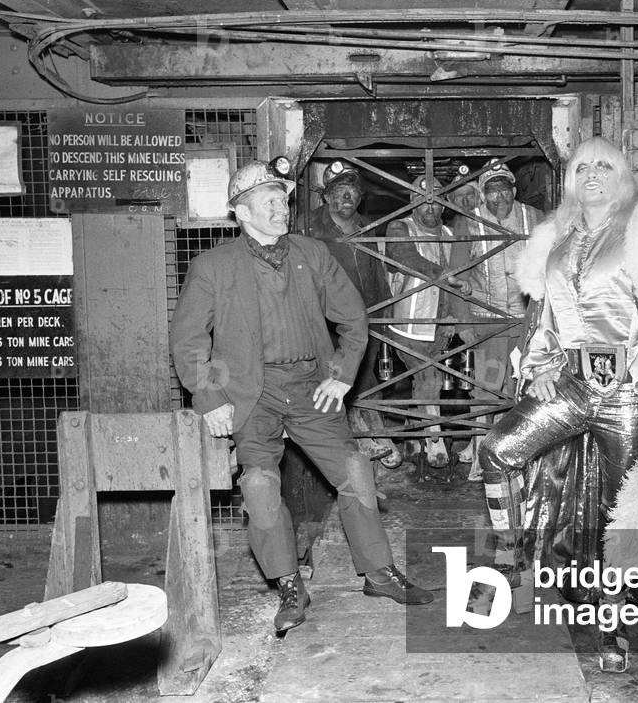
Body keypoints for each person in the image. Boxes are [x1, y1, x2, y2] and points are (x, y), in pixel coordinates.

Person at [477, 137, 638, 672]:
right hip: (572, 385)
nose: (592, 173)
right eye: (582, 166)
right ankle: (509, 553)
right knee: (495, 450)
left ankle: (612, 627)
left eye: (604, 166)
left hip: (632, 394)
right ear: (568, 178)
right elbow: (545, 319)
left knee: (621, 516)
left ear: (623, 176)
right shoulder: (554, 239)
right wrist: (539, 369)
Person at [170, 158, 432, 634]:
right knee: (261, 485)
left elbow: (354, 319)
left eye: (282, 198)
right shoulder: (213, 267)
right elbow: (189, 342)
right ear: (241, 213)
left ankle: (378, 572)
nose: (280, 207)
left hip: (312, 388)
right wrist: (211, 400)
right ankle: (289, 584)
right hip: (253, 395)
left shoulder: (312, 254)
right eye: (267, 200)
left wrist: (341, 375)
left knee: (355, 470)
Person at [303, 159, 403, 468]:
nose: (347, 197)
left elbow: (377, 272)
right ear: (326, 195)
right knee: (335, 381)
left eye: (353, 192)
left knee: (367, 378)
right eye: (339, 190)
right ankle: (360, 443)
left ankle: (373, 438)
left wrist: (386, 314)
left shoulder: (367, 226)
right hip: (326, 321)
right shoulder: (308, 227)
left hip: (367, 315)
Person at [449, 160, 540, 479]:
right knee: (485, 390)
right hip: (486, 322)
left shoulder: (534, 218)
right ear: (483, 195)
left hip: (526, 322)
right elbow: (454, 276)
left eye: (504, 188)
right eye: (491, 191)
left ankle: (517, 457)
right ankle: (479, 457)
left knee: (523, 390)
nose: (499, 197)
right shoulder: (469, 223)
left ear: (514, 190)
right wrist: (463, 326)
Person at [385, 174, 472, 468]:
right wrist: (444, 275)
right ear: (412, 202)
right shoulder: (400, 227)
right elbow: (404, 255)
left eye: (436, 201)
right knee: (428, 377)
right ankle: (434, 441)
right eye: (423, 201)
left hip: (440, 324)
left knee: (424, 379)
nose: (430, 208)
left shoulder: (448, 234)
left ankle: (418, 432)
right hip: (409, 321)